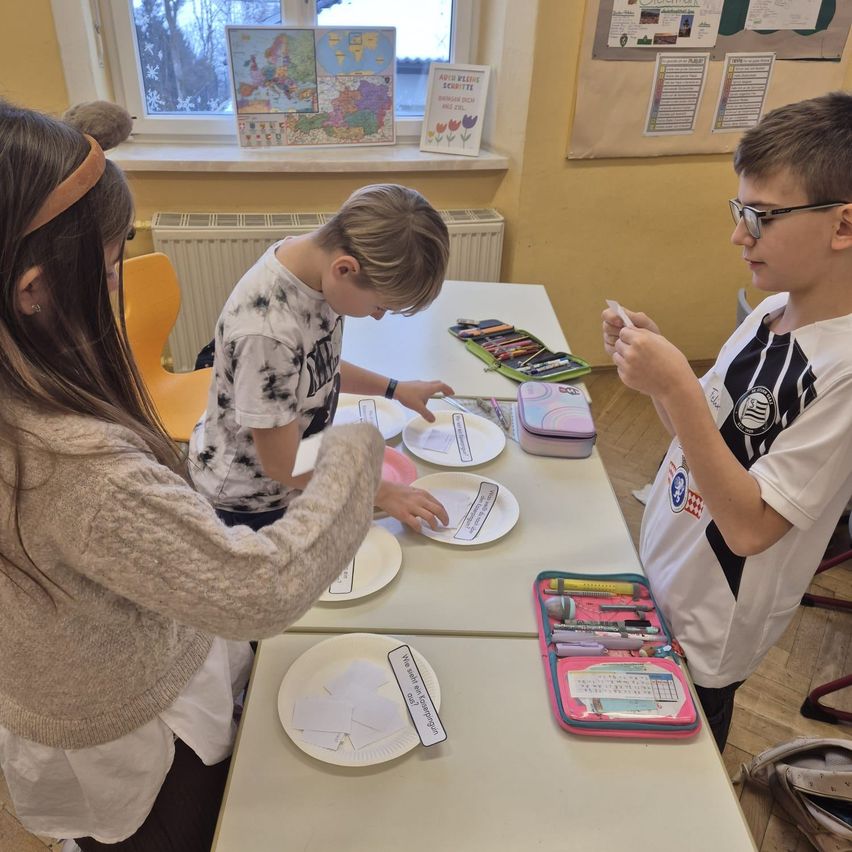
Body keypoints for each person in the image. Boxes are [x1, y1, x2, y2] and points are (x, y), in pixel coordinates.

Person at [0, 100, 384, 850]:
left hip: (74, 664)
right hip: (123, 714)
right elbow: (257, 590)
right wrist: (354, 452)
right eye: (112, 267)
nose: (117, 287)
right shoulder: (78, 472)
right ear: (34, 289)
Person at [602, 91, 852, 751]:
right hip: (663, 574)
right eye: (738, 211)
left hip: (710, 629)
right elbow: (702, 437)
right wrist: (658, 379)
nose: (738, 235)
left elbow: (749, 529)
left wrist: (679, 386)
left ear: (844, 226)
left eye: (761, 216)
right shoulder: (769, 313)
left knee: (686, 772)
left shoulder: (845, 372)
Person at [188, 183, 454, 533]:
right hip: (249, 499)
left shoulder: (314, 267)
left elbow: (314, 365)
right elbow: (281, 464)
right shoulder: (268, 332)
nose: (377, 317)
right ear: (345, 269)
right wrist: (381, 492)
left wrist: (395, 389)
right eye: (380, 306)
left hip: (294, 467)